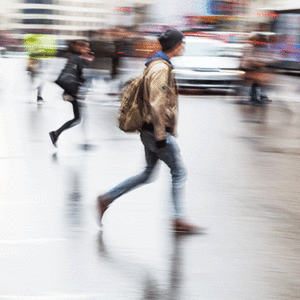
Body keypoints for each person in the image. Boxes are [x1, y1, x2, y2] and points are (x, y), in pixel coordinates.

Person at [97, 28, 201, 233]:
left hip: (149, 131)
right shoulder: (161, 68)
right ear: (176, 46)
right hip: (155, 131)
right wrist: (161, 137)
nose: (184, 47)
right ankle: (178, 218)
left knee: (147, 174)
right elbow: (156, 105)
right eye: (183, 43)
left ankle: (106, 198)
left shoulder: (156, 65)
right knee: (179, 172)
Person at [49, 40, 93, 147]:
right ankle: (56, 133)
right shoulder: (76, 57)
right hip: (72, 91)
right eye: (85, 47)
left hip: (71, 90)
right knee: (78, 118)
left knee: (78, 118)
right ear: (79, 47)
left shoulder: (74, 56)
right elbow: (80, 76)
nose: (87, 49)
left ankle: (56, 133)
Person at [240, 33, 272, 104]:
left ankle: (256, 98)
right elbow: (248, 58)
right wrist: (257, 62)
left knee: (256, 83)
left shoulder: (260, 47)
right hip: (249, 67)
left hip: (254, 68)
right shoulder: (250, 47)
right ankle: (256, 98)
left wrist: (261, 62)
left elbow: (264, 57)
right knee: (254, 83)